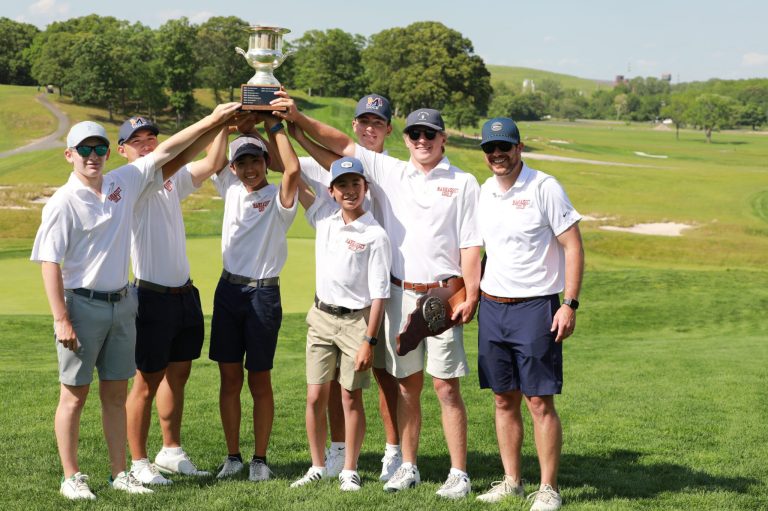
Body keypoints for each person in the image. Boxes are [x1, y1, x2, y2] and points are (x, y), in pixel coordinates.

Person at [30, 102, 241, 500]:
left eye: (98, 149)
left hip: (122, 303)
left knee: (114, 392)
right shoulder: (63, 201)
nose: (92, 157)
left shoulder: (120, 184)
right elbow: (49, 262)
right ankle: (71, 476)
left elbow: (172, 152)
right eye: (84, 150)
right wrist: (60, 317)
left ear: (108, 153)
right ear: (69, 154)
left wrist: (216, 123)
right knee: (73, 395)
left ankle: (119, 471)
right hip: (84, 304)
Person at [277, 106, 481, 499]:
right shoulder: (391, 172)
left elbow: (471, 241)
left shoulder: (464, 182)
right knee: (407, 387)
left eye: (430, 134)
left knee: (446, 387)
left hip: (443, 295)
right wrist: (298, 120)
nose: (422, 140)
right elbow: (339, 146)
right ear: (405, 139)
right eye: (415, 134)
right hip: (401, 294)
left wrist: (471, 292)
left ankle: (459, 472)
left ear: (444, 139)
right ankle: (409, 465)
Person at [277, 92, 403, 481]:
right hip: (328, 309)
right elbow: (300, 172)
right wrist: (279, 127)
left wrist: (297, 124)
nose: (370, 129)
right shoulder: (329, 208)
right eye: (364, 122)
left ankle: (393, 452)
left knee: (381, 379)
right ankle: (334, 456)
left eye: (377, 123)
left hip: (374, 296)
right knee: (327, 388)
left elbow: (344, 155)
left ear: (388, 129)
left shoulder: (387, 168)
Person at [473, 118, 583, 511]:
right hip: (493, 307)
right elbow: (479, 251)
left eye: (504, 146)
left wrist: (569, 303)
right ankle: (512, 482)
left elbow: (572, 246)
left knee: (539, 401)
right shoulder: (485, 191)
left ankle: (548, 487)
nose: (497, 154)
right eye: (490, 148)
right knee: (504, 399)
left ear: (519, 148)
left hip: (537, 307)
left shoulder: (544, 187)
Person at [119, 115, 232, 485]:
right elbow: (181, 156)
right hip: (150, 296)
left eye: (152, 137)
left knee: (178, 375)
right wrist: (215, 118)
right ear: (123, 152)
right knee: (145, 382)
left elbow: (214, 164)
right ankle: (137, 462)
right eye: (138, 141)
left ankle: (170, 451)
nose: (147, 144)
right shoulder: (134, 184)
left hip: (185, 294)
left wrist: (225, 129)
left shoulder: (170, 180)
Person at [290, 156, 391, 491]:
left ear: (364, 188)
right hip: (320, 317)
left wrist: (369, 340)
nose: (349, 191)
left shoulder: (375, 233)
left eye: (355, 184)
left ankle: (350, 468)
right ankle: (317, 465)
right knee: (315, 396)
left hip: (355, 324)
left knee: (350, 397)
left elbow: (379, 294)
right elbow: (292, 171)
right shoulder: (324, 218)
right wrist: (276, 127)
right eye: (342, 185)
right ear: (331, 191)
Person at [209, 116, 300, 482]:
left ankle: (260, 459)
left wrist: (270, 124)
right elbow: (213, 161)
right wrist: (225, 124)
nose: (249, 169)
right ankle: (233, 457)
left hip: (263, 293)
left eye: (256, 161)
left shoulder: (278, 197)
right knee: (228, 379)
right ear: (234, 168)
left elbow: (292, 168)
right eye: (242, 163)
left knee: (258, 379)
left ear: (266, 162)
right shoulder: (229, 188)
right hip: (228, 290)